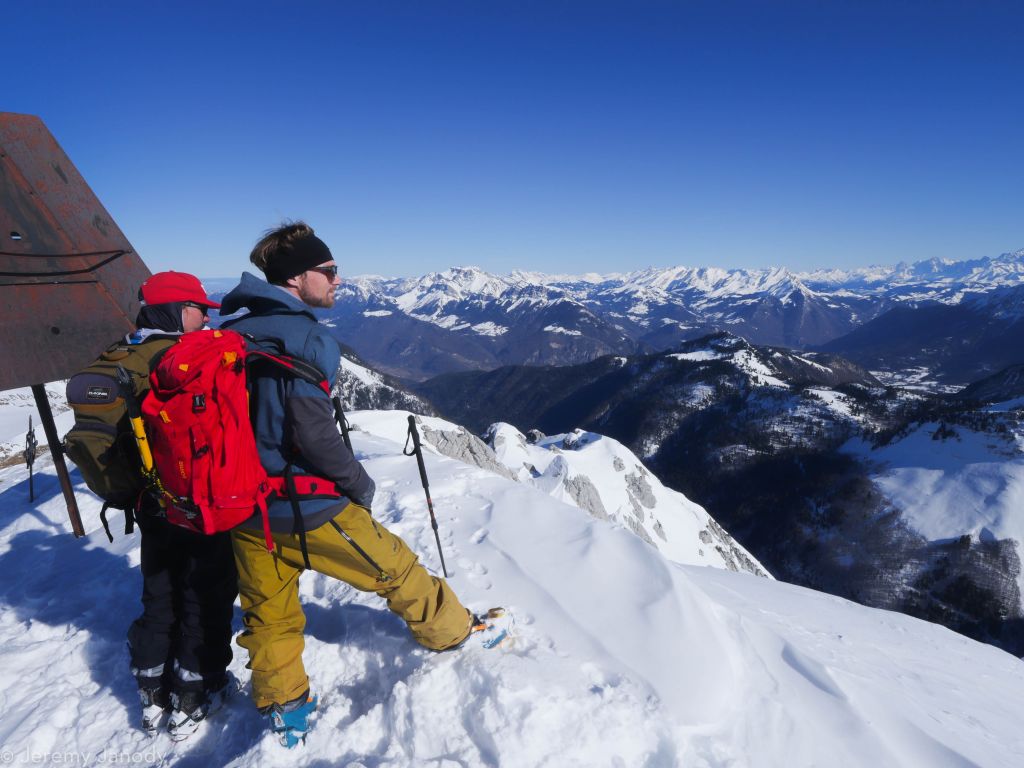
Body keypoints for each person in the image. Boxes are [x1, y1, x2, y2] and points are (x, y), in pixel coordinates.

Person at [220, 222, 473, 748]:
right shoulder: (307, 338)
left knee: (269, 616)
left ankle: (283, 706)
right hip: (307, 506)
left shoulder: (231, 334)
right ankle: (455, 633)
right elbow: (312, 431)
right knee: (397, 568)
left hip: (246, 508)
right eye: (329, 271)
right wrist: (357, 483)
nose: (339, 281)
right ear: (296, 278)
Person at [122, 272, 238, 738]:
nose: (207, 316)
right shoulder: (187, 359)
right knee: (202, 594)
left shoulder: (124, 355)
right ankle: (195, 689)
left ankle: (151, 689)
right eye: (197, 307)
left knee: (158, 591)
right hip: (195, 500)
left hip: (149, 501)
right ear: (173, 311)